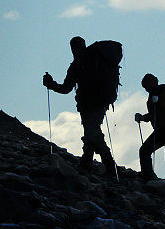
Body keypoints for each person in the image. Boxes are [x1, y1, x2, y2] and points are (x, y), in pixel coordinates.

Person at [43, 36, 116, 177]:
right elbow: (67, 88)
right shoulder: (91, 60)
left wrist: (50, 84)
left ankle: (104, 166)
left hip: (89, 105)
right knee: (92, 133)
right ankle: (90, 165)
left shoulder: (77, 65)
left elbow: (66, 88)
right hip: (98, 103)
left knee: (91, 133)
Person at [134, 74, 165, 197]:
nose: (146, 89)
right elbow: (155, 113)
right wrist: (143, 117)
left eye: (146, 86)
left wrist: (157, 104)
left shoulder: (163, 92)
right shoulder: (156, 94)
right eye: (145, 87)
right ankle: (150, 177)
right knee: (148, 152)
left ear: (154, 82)